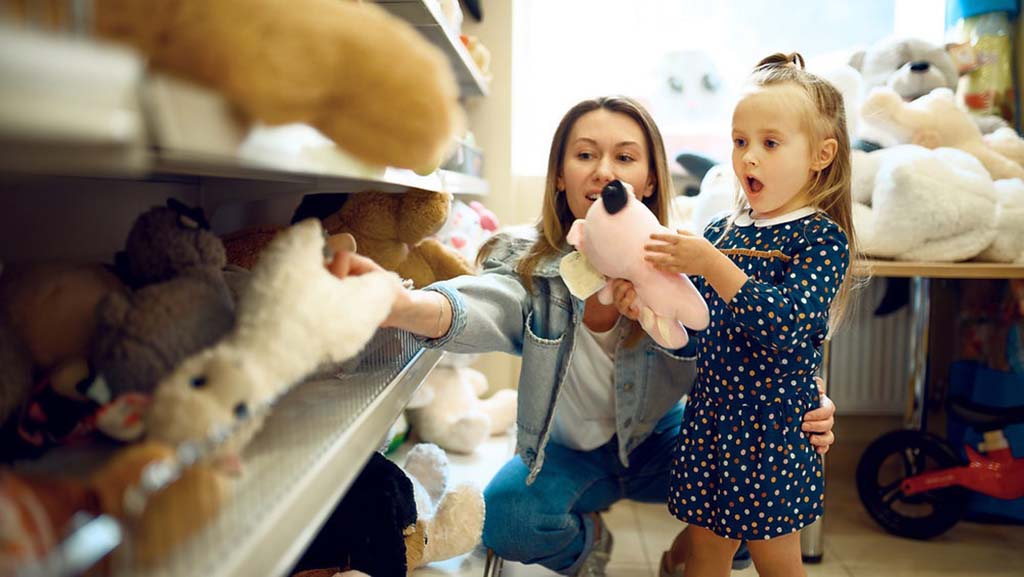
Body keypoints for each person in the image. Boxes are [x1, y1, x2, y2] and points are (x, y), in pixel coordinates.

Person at [331, 95, 838, 577]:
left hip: (661, 439)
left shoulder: (683, 261)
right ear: (558, 175)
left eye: (625, 156)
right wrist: (402, 302)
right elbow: (482, 305)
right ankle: (590, 543)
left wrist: (808, 401)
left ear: (650, 179)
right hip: (565, 452)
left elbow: (741, 337)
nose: (604, 171)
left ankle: (685, 552)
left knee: (758, 508)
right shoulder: (525, 262)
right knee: (509, 520)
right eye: (585, 155)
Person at [644, 53, 857, 577]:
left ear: (821, 155)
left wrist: (713, 265)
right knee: (707, 552)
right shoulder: (720, 229)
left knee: (775, 558)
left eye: (770, 143)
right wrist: (654, 313)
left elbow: (786, 326)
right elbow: (696, 332)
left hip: (775, 427)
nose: (749, 158)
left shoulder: (820, 237)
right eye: (740, 141)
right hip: (712, 416)